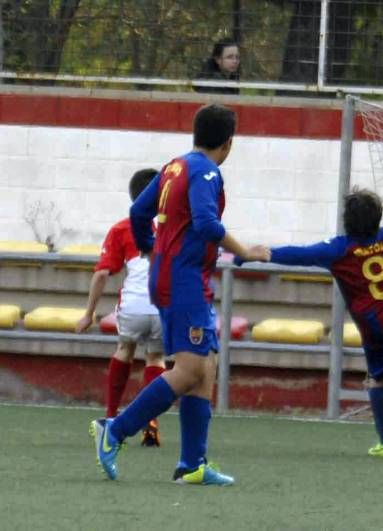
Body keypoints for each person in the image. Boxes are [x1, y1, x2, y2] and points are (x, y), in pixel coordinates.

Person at [92, 103, 269, 485]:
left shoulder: (175, 165)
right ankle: (116, 430)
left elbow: (139, 210)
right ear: (229, 143)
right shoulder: (206, 170)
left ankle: (192, 465)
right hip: (183, 280)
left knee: (206, 367)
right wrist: (245, 251)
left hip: (178, 276)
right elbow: (207, 223)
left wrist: (148, 248)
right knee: (190, 370)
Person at [240, 188, 383, 459]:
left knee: (379, 378)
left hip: (371, 323)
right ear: (377, 218)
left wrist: (261, 253)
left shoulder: (338, 249)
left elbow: (300, 254)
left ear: (346, 221)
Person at [77, 169, 166, 447]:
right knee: (156, 359)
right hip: (163, 304)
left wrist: (89, 313)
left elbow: (102, 274)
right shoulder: (172, 226)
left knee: (125, 350)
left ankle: (112, 418)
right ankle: (150, 425)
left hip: (133, 306)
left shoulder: (123, 228)